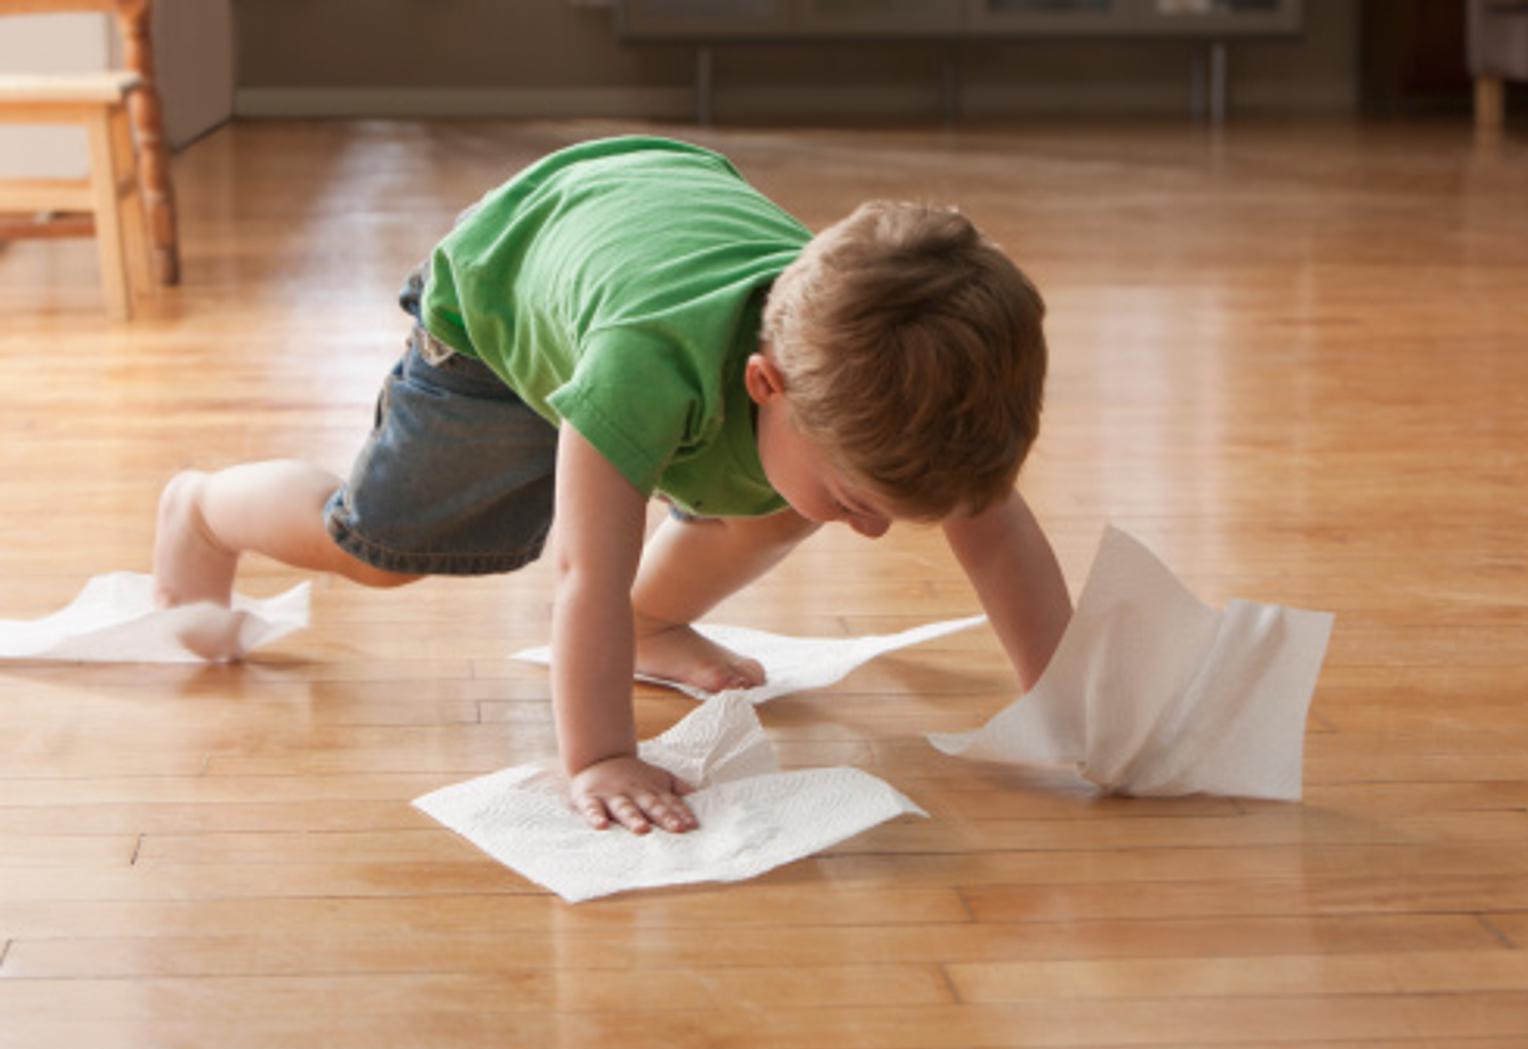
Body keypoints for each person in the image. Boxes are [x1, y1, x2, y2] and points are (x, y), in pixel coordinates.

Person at [153, 136, 1072, 838]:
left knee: (795, 500)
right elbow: (582, 574)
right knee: (384, 549)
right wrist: (601, 758)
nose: (869, 535)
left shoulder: (870, 381)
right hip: (500, 297)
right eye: (861, 504)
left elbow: (992, 529)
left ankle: (655, 623)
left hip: (642, 228)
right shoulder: (642, 370)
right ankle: (200, 507)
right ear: (766, 385)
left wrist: (1075, 708)